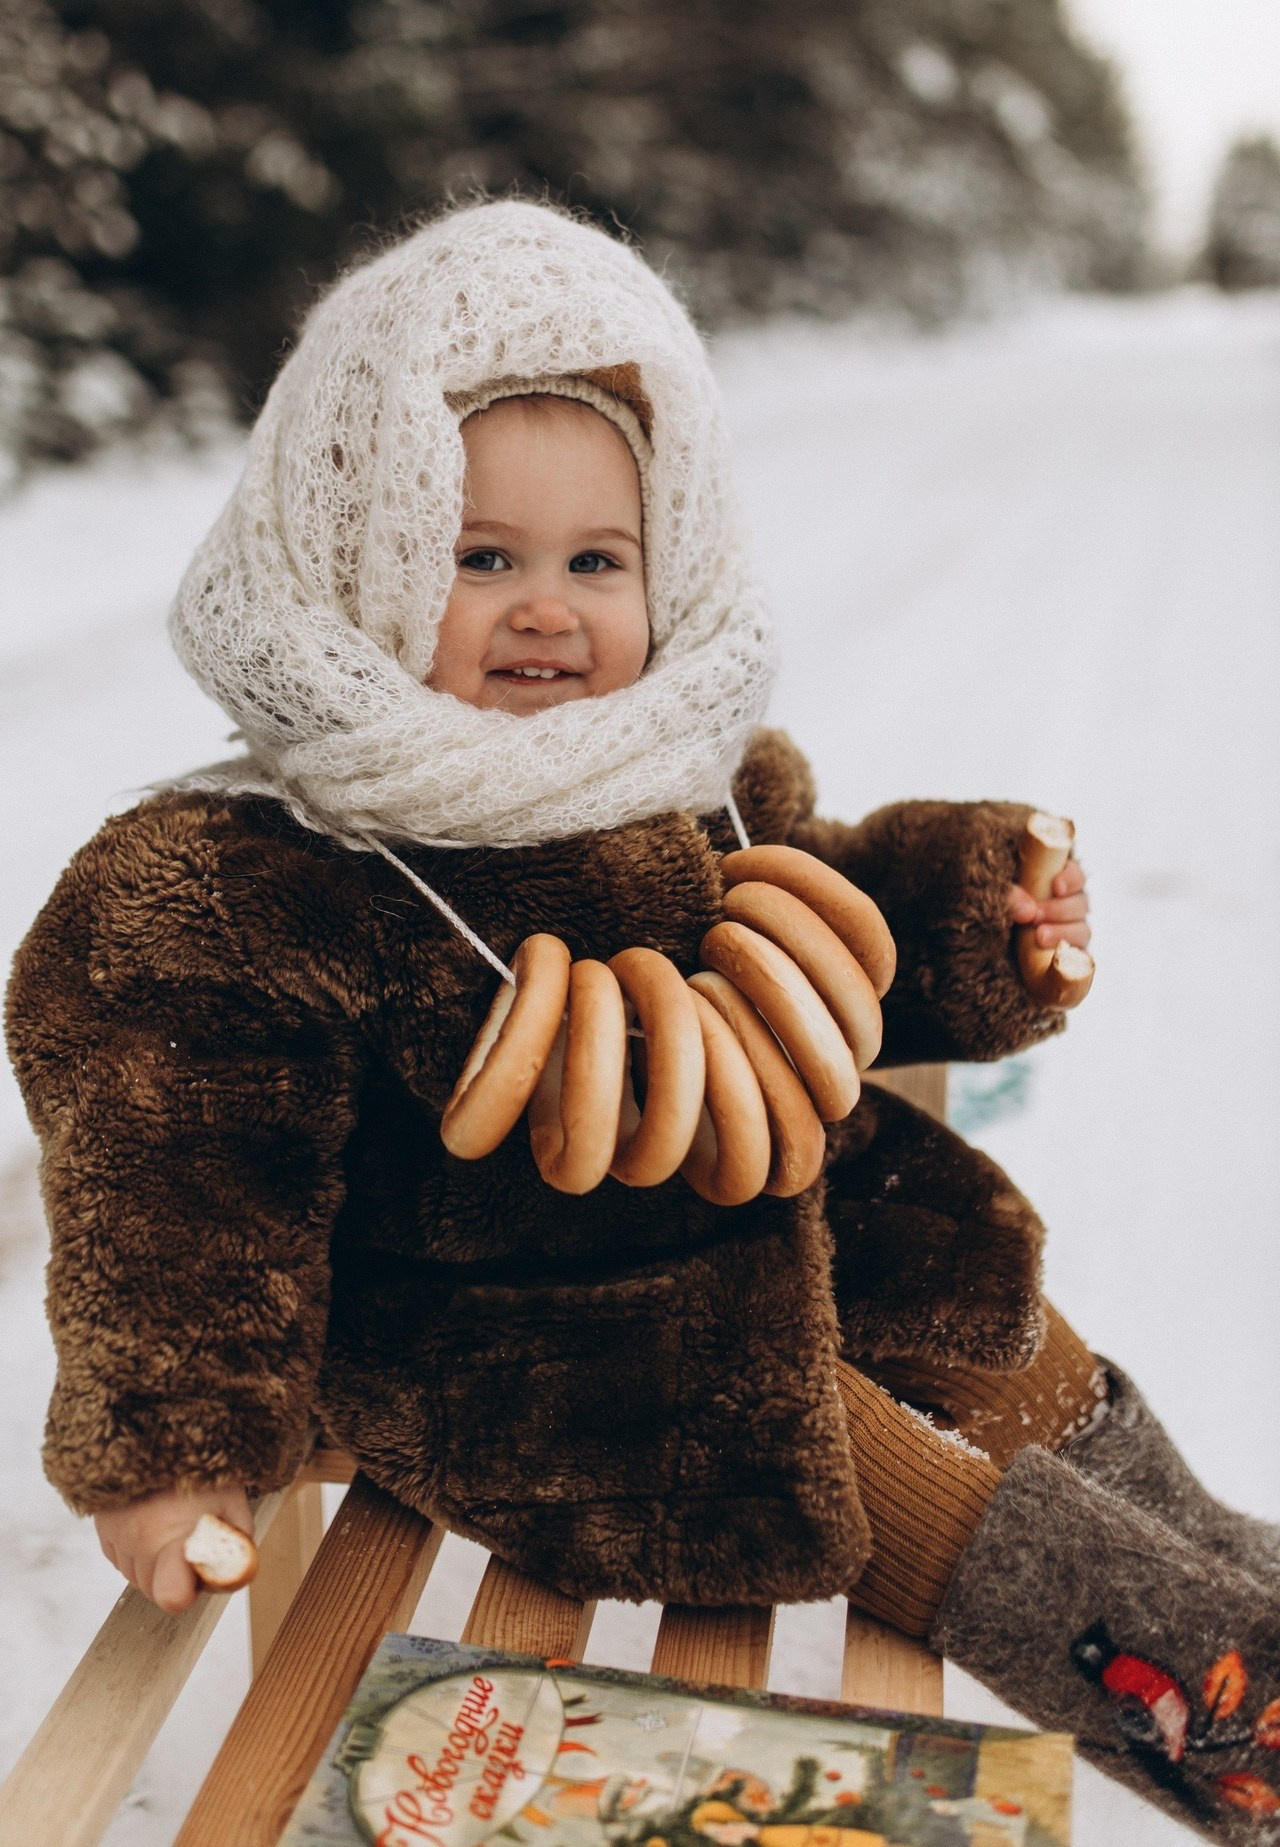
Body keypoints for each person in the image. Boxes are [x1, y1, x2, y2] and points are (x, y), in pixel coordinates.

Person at [6, 202, 1277, 1842]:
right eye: (480, 559)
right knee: (911, 1486)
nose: (548, 609)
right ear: (352, 560)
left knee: (1016, 1342)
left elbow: (820, 913)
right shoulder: (250, 882)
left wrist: (979, 911)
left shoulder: (683, 776)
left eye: (595, 562)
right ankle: (1237, 1710)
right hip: (551, 1360)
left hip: (813, 1219)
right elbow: (173, 1191)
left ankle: (1230, 1558)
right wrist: (174, 1443)